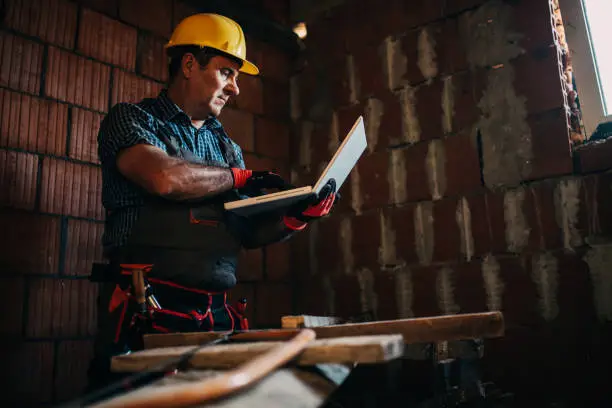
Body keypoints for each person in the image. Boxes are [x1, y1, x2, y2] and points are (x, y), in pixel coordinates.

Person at [87, 13, 338, 390]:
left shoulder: (227, 146)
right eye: (227, 73)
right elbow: (165, 178)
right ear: (189, 64)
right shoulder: (131, 119)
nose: (236, 88)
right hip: (147, 309)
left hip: (214, 312)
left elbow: (246, 231)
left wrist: (296, 216)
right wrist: (238, 178)